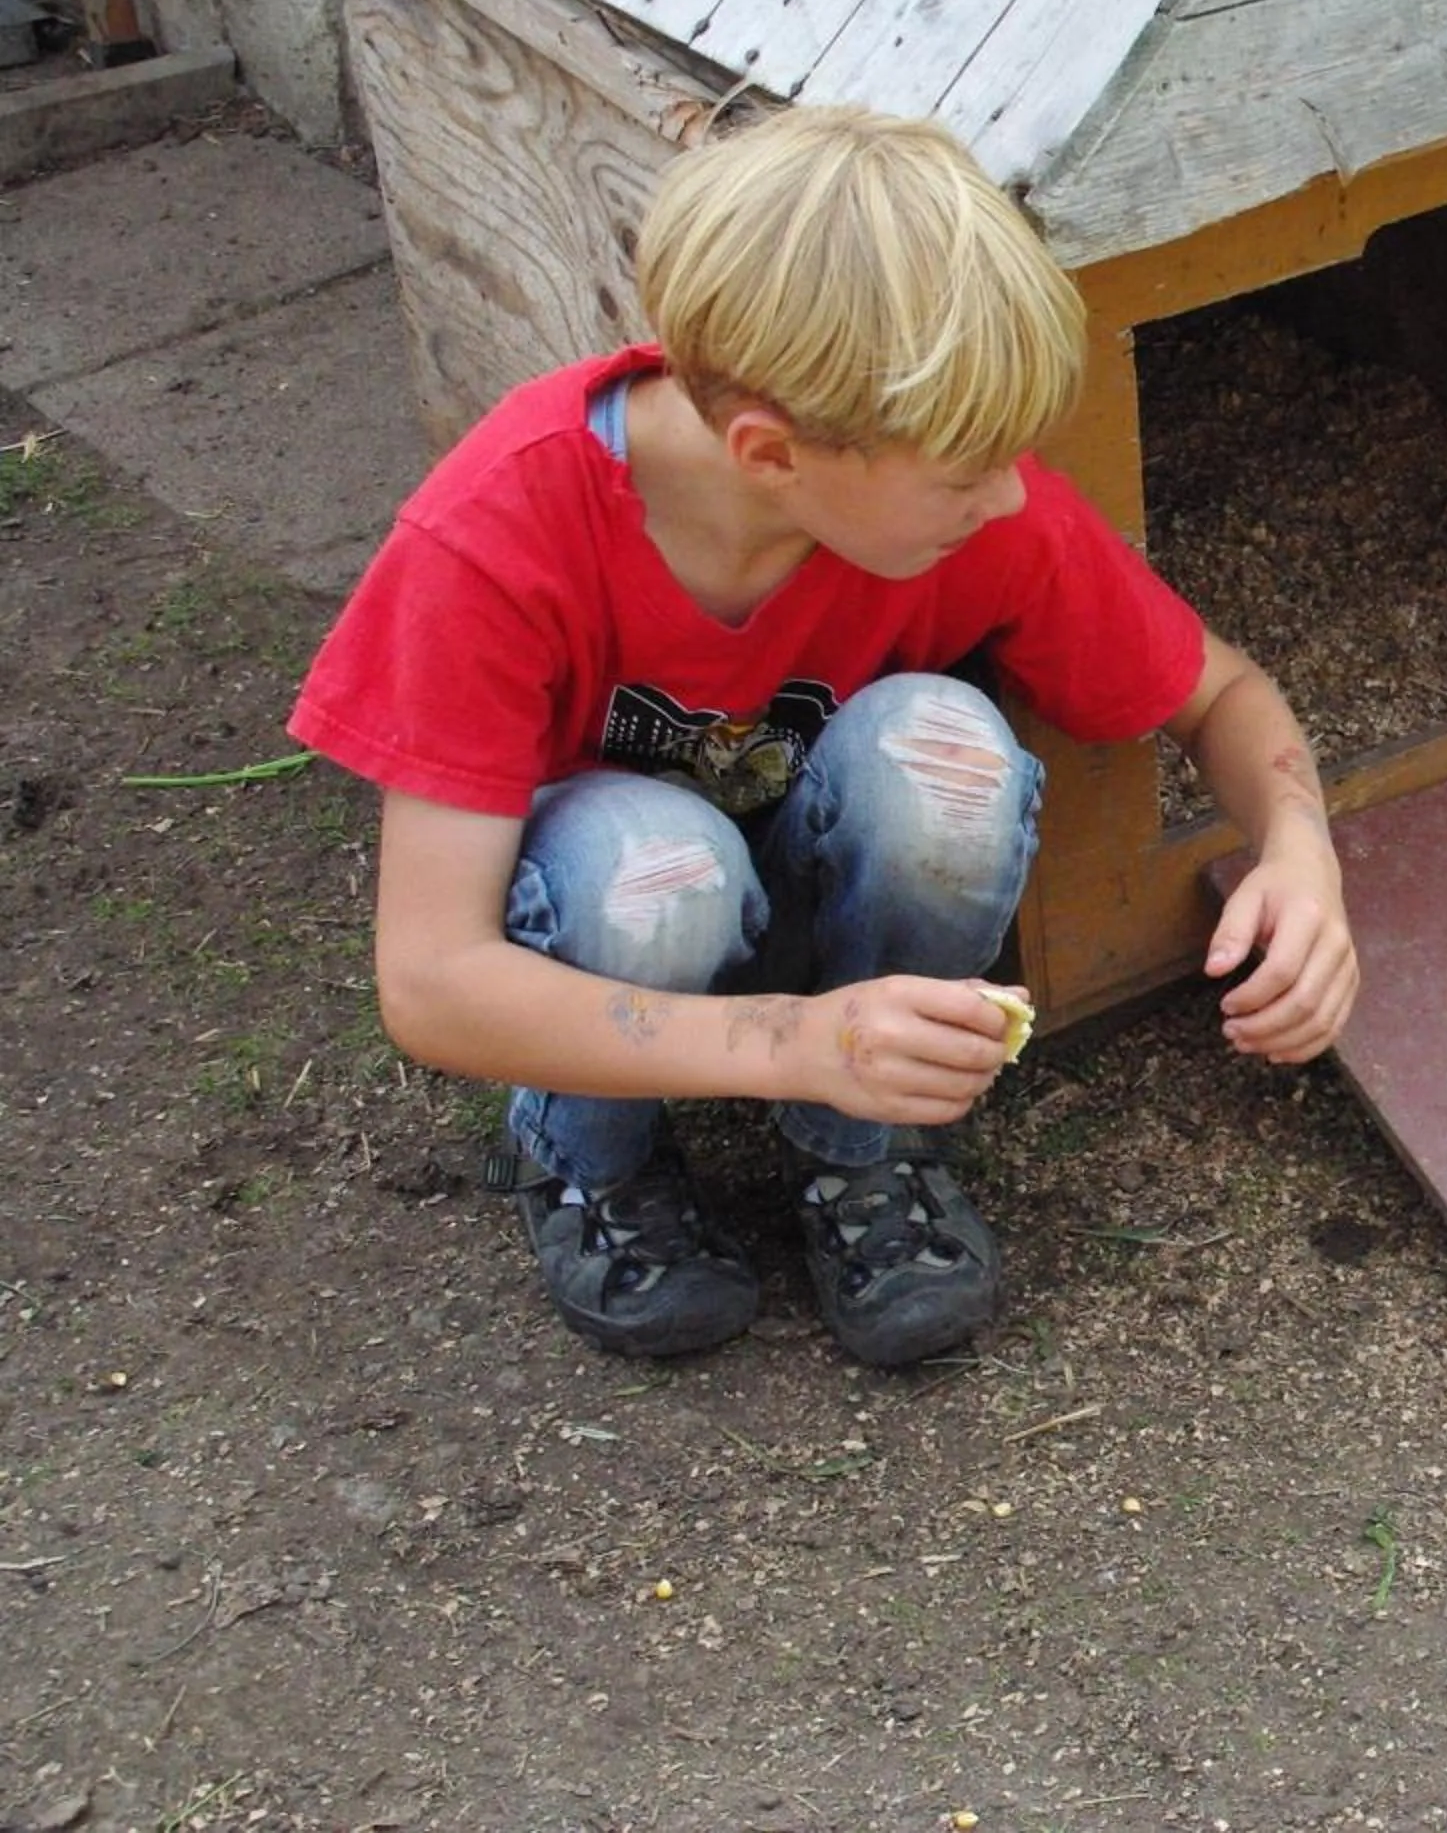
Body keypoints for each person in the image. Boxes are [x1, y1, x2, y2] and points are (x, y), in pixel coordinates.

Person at [288, 102, 1360, 1368]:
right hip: (620, 925)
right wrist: (793, 1042)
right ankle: (594, 1159)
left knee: (946, 757)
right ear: (770, 452)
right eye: (966, 469)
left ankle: (863, 1146)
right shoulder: (494, 533)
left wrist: (1300, 850)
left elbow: (1222, 694)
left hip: (810, 903)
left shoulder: (966, 504)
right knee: (655, 863)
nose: (1007, 496)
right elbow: (430, 979)